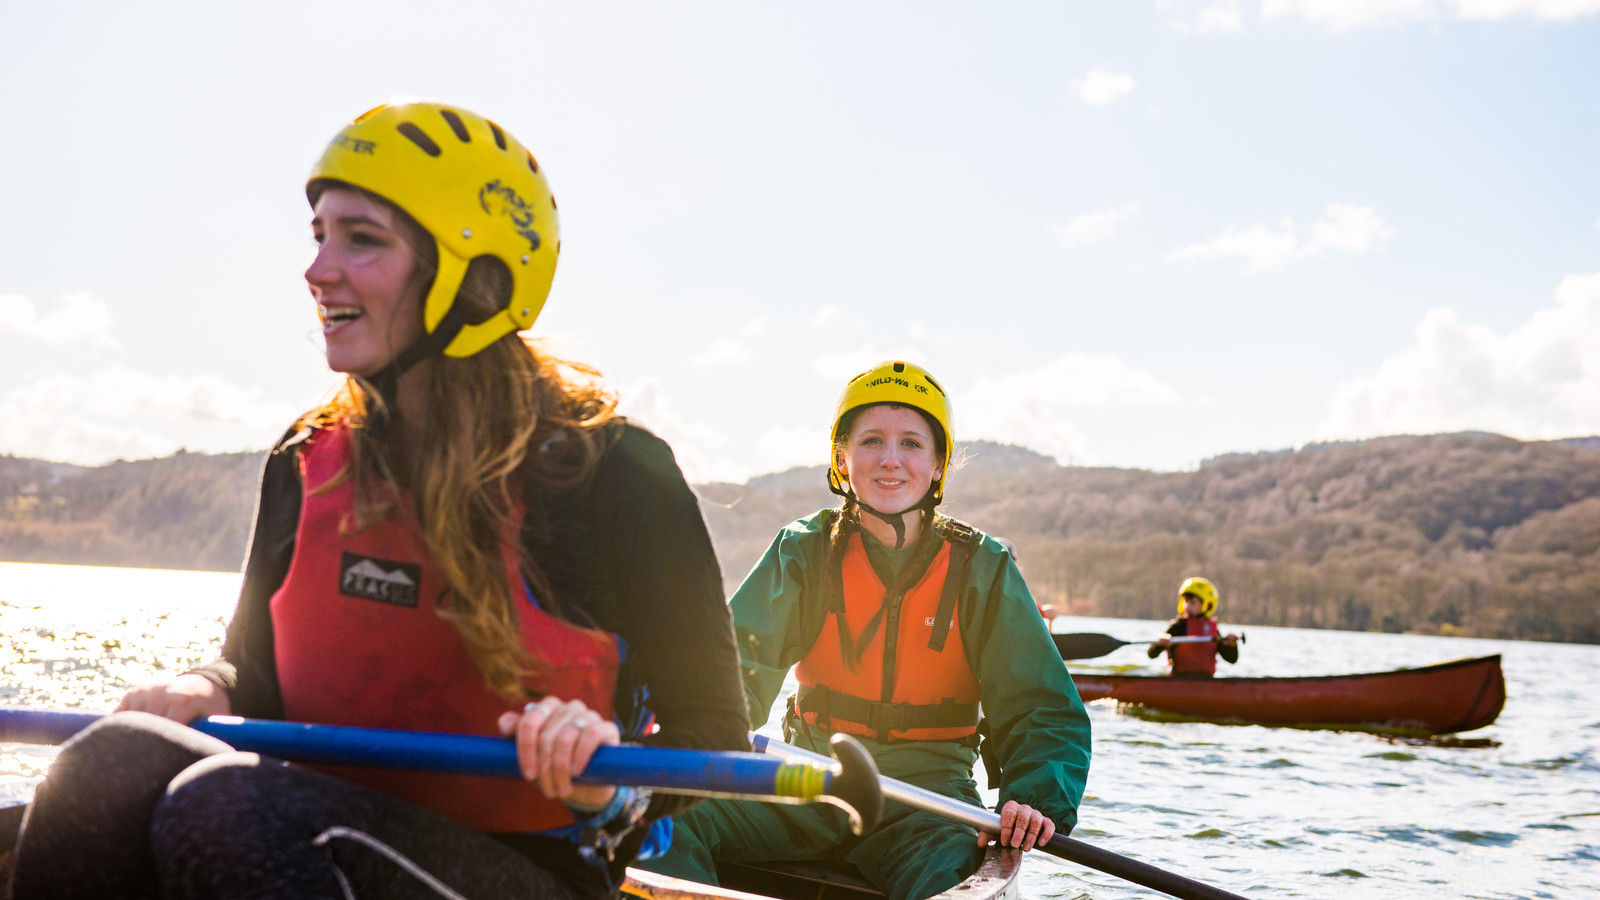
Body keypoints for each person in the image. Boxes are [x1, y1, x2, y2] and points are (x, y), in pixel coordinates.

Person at [7, 101, 748, 899]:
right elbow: (252, 666)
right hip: (306, 830)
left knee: (226, 802)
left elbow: (717, 737)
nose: (318, 269)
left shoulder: (618, 472)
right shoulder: (303, 458)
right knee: (108, 760)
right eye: (319, 235)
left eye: (362, 239)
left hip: (525, 872)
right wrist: (208, 684)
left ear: (477, 279)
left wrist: (611, 779)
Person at [641, 361, 1092, 900]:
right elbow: (731, 670)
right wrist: (685, 735)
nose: (890, 460)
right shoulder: (803, 551)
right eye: (872, 440)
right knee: (659, 819)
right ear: (843, 457)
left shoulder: (983, 567)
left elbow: (1042, 705)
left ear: (938, 463)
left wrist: (1034, 797)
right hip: (809, 780)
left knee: (960, 883)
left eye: (911, 444)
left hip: (928, 803)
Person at [1149, 576, 1241, 677]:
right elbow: (1151, 654)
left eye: (1192, 603)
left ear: (1207, 605)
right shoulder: (1178, 626)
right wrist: (1160, 643)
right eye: (1186, 602)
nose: (1187, 606)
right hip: (1178, 680)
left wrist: (1232, 646)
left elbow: (1232, 659)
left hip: (1206, 682)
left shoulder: (1213, 630)